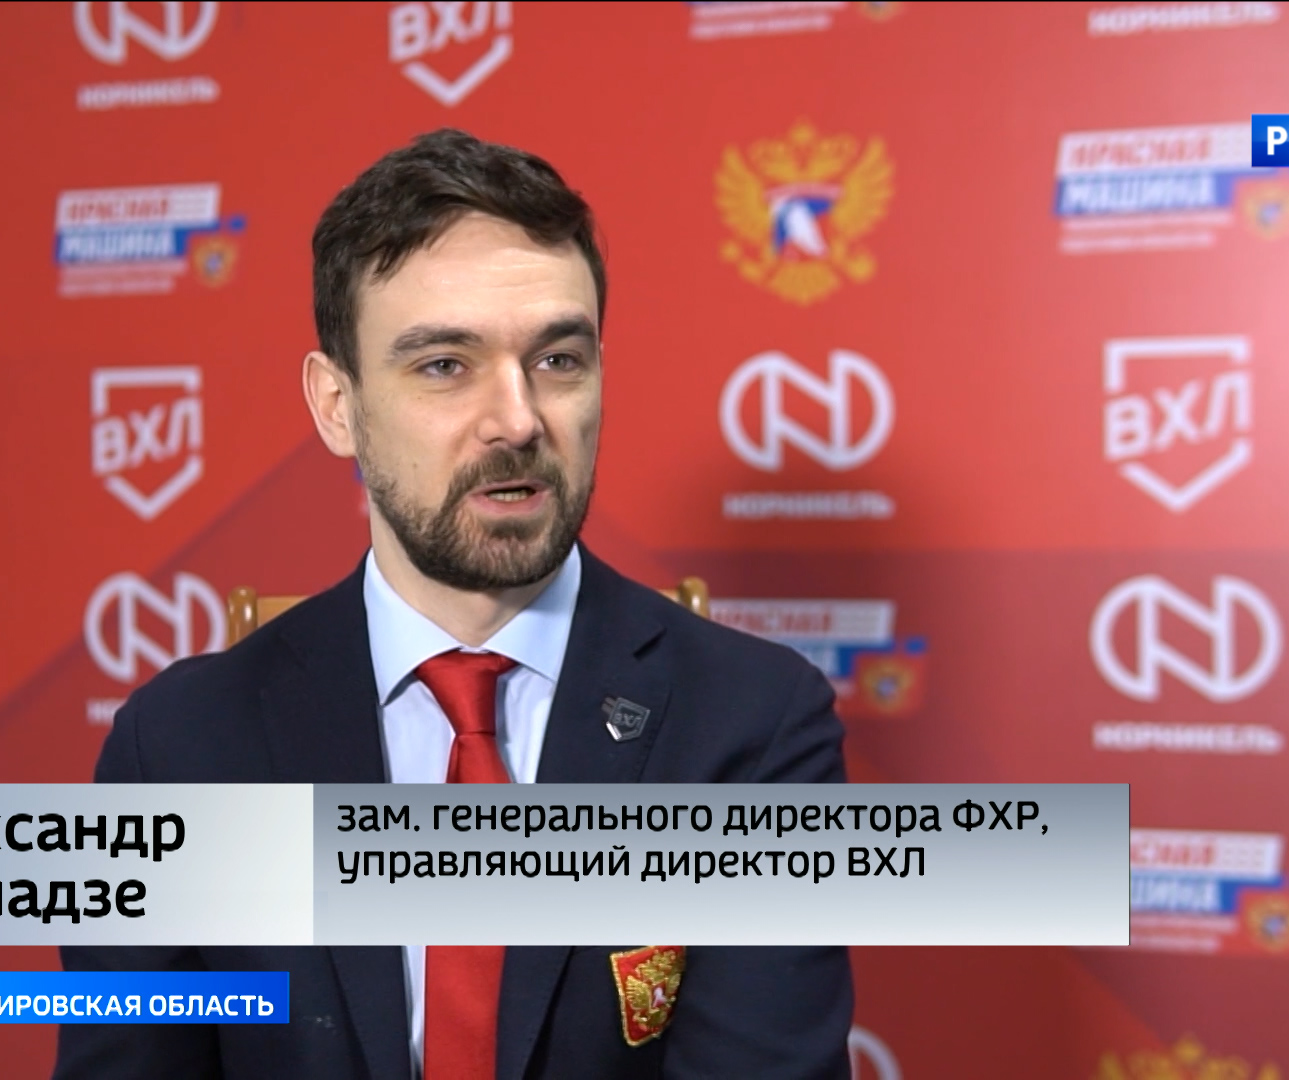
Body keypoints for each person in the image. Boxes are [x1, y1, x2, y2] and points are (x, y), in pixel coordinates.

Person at [56, 129, 853, 1080]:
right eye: (444, 365)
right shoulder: (179, 749)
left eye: (558, 360)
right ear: (337, 405)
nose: (516, 420)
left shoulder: (754, 728)